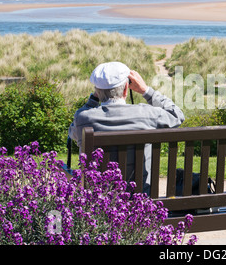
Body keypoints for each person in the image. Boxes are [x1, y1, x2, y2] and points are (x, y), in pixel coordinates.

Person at [68, 61, 184, 194]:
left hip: (98, 203)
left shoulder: (84, 119)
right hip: (141, 199)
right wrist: (146, 91)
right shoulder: (147, 114)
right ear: (125, 89)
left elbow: (73, 132)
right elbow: (177, 115)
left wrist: (93, 99)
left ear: (97, 92)